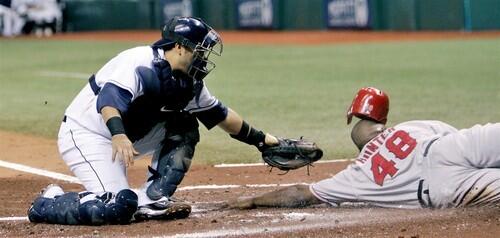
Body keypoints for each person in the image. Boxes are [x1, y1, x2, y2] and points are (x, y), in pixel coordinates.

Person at [28, 16, 279, 225]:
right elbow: (108, 100)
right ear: (180, 46)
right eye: (201, 51)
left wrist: (263, 141)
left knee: (184, 126)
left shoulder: (187, 82)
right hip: (87, 134)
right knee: (118, 206)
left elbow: (220, 115)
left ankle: (152, 198)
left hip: (127, 137)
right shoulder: (139, 61)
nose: (204, 58)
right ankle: (48, 203)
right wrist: (118, 134)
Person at [228, 87, 500, 210]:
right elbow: (454, 137)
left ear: (353, 119)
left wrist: (252, 200)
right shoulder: (409, 127)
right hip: (450, 148)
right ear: (381, 120)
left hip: (440, 187)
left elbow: (302, 193)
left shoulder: (357, 175)